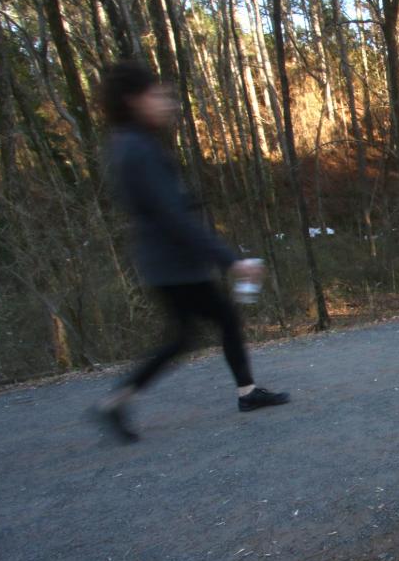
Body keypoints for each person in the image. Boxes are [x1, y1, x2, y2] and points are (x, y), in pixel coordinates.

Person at [93, 62, 288, 443]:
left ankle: (118, 400)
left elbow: (165, 208)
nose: (166, 103)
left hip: (164, 261)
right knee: (215, 323)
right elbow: (171, 216)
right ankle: (245, 393)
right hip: (174, 262)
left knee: (186, 335)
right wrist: (230, 261)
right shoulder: (137, 149)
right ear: (133, 100)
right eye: (157, 95)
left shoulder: (129, 143)